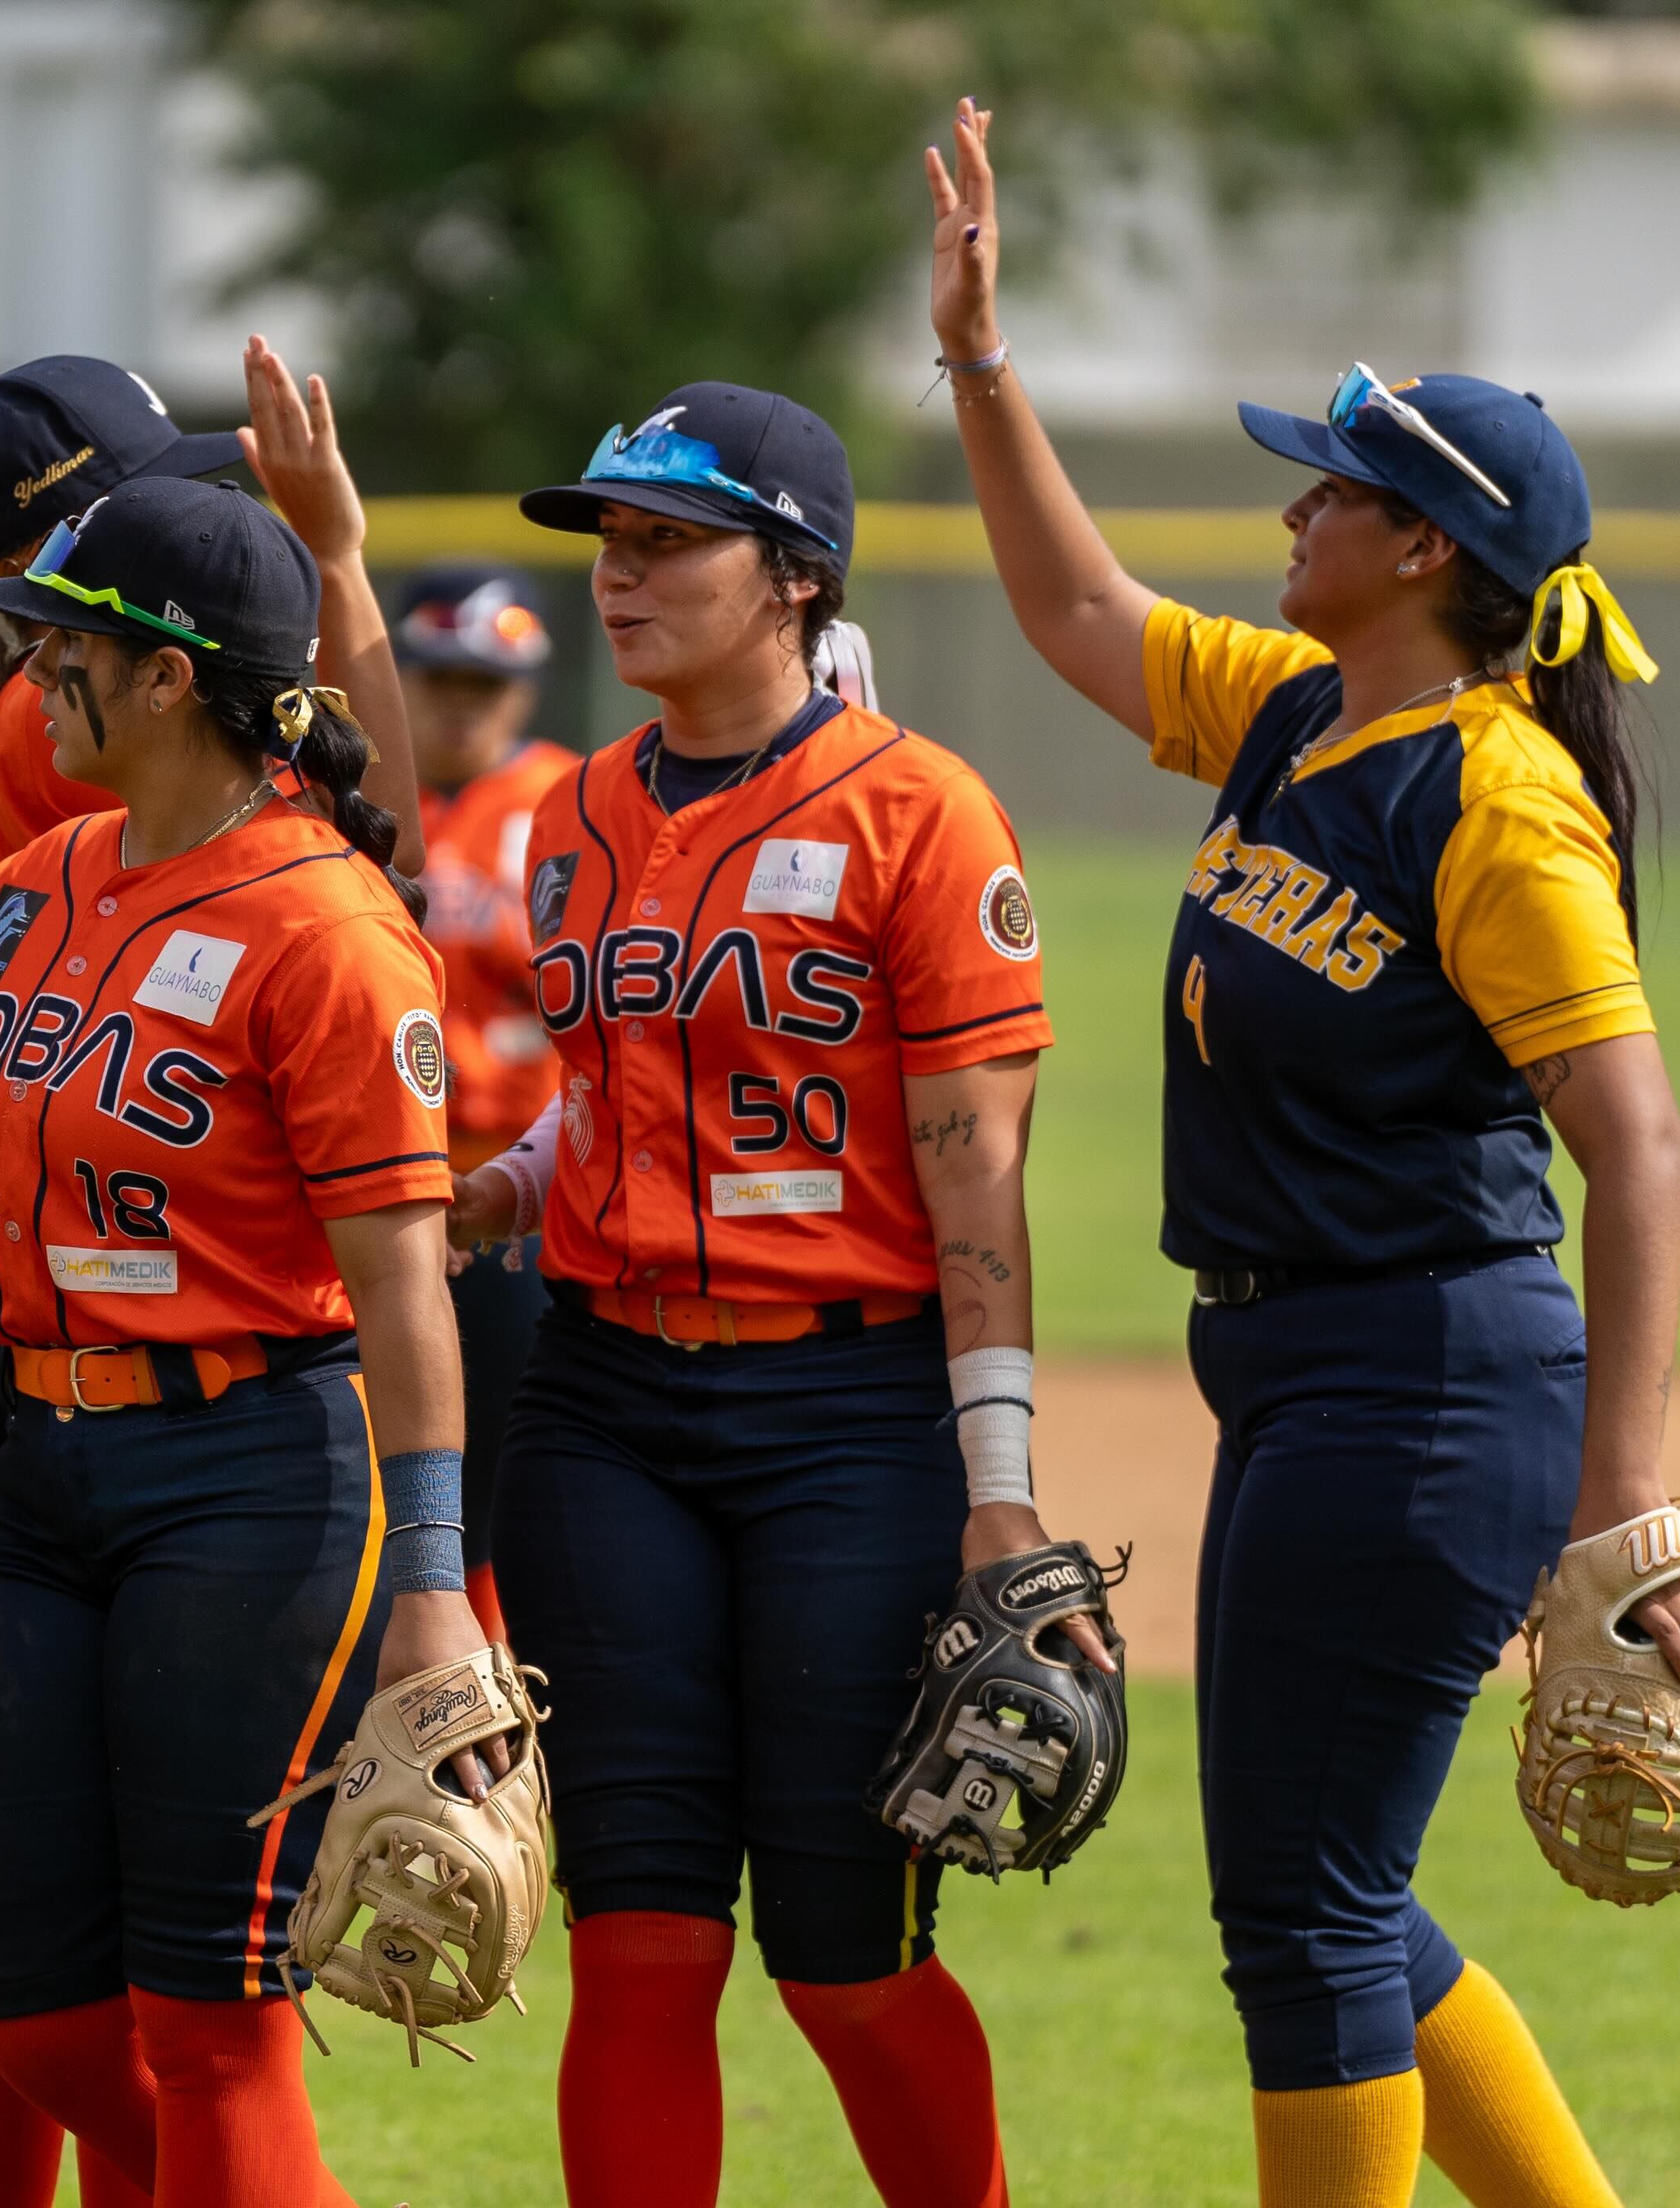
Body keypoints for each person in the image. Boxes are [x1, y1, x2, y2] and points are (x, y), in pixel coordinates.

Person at [927, 100, 1680, 2208]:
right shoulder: (1304, 714)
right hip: (1303, 1376)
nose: (1294, 504)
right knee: (1324, 1884)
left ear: (1426, 547)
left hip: (1427, 1382)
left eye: (1334, 484)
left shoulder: (1495, 800)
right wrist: (979, 358)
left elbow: (1635, 1145)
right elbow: (1077, 609)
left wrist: (1622, 1497)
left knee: (1307, 1911)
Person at [0, 472, 507, 2208]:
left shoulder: (330, 930)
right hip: (42, 1470)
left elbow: (404, 1289)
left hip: (249, 1478)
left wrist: (433, 1591)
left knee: (207, 2022)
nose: (35, 672)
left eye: (70, 645)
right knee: (43, 2023)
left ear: (170, 676)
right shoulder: (42, 882)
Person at [444, 378, 1103, 2208]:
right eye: (611, 539)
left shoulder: (919, 813)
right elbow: (604, 1100)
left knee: (842, 1956)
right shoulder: (573, 814)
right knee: (638, 1944)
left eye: (670, 540)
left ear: (796, 574)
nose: (620, 572)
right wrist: (501, 1188)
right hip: (601, 1411)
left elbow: (974, 1178)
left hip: (850, 1421)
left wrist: (997, 1489)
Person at [0, 342, 425, 990]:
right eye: (149, 490)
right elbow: (381, 843)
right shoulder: (65, 700)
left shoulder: (78, 685)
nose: (185, 504)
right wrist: (336, 558)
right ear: (43, 549)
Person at [390, 563, 575, 1637]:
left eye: (487, 681)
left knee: (505, 1464)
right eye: (443, 677)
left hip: (518, 1192)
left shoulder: (570, 801)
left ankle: (498, 1675)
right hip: (380, 1187)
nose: (465, 703)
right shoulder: (360, 802)